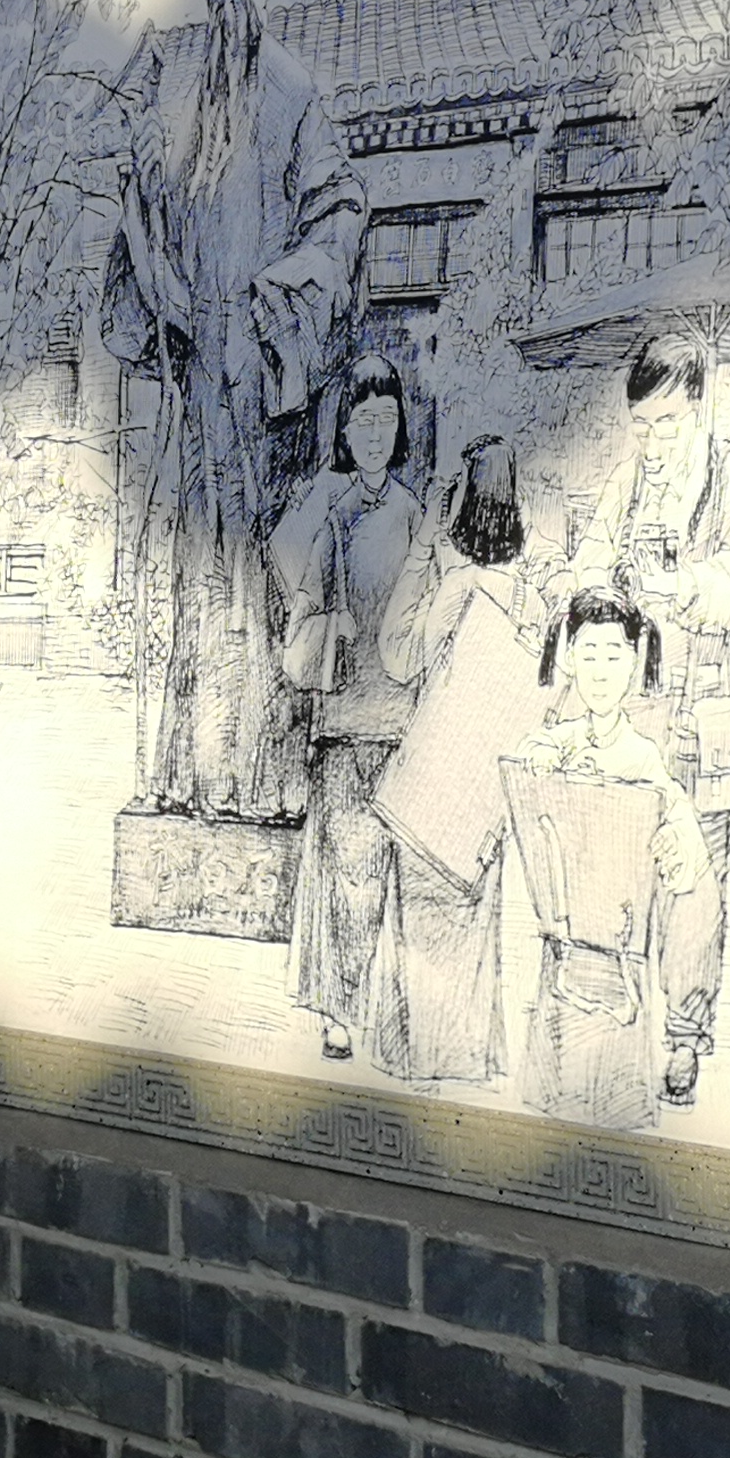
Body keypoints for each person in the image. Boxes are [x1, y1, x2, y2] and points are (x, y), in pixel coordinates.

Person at [100, 0, 367, 834]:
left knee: (259, 575)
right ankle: (183, 773)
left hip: (260, 377)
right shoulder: (174, 107)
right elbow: (147, 242)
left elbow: (341, 210)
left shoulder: (293, 91)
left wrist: (272, 305)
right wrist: (145, 217)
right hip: (193, 385)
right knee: (188, 574)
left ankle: (259, 780)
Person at [566, 332, 730, 1108]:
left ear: (697, 410)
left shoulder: (728, 481)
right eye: (641, 427)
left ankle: (684, 1039)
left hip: (707, 724)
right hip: (637, 719)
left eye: (667, 426)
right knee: (617, 875)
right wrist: (606, 591)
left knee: (696, 892)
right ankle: (617, 1023)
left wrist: (685, 587)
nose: (652, 444)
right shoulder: (625, 484)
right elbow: (588, 566)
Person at [361, 433, 540, 1086]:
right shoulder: (527, 599)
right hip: (482, 802)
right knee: (472, 934)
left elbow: (397, 656)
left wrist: (423, 553)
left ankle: (420, 1065)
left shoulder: (456, 587)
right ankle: (466, 1059)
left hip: (432, 786)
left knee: (421, 933)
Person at [499, 584, 709, 1135]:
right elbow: (529, 765)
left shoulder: (643, 756)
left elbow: (679, 827)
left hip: (620, 955)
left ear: (634, 663)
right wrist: (545, 760)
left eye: (613, 656)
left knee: (610, 1115)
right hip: (566, 945)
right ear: (569, 658)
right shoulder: (555, 741)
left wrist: (673, 841)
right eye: (588, 654)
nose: (599, 671)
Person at [269, 357, 425, 1056]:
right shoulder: (329, 511)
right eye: (363, 421)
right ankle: (338, 1012)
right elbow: (299, 609)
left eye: (387, 421)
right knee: (343, 874)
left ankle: (384, 1016)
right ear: (344, 430)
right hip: (341, 723)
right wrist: (333, 622)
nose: (375, 434)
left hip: (400, 721)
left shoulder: (414, 514)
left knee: (387, 875)